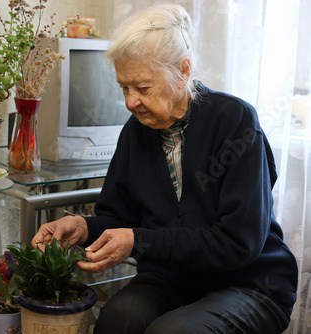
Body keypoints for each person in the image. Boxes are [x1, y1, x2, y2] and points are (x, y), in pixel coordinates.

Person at [32, 4, 298, 334]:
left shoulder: (235, 122)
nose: (130, 102)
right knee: (117, 317)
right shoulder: (135, 132)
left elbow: (238, 242)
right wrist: (82, 226)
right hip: (172, 278)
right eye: (123, 87)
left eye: (142, 88)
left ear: (183, 71)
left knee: (174, 331)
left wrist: (137, 241)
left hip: (249, 283)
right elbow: (120, 220)